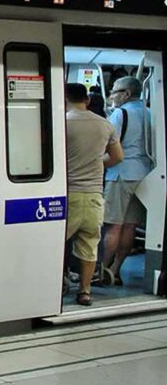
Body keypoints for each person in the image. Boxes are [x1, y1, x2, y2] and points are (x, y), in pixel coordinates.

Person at [64, 82, 123, 306]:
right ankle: (85, 291)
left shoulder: (63, 123)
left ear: (65, 99)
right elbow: (118, 156)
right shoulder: (105, 125)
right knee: (89, 245)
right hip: (93, 195)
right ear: (87, 100)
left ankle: (58, 284)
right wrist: (98, 164)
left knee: (58, 243)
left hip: (67, 195)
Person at [101, 76, 153, 287]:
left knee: (114, 225)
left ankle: (102, 270)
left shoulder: (120, 114)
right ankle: (116, 269)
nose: (112, 96)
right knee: (130, 226)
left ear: (126, 93)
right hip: (143, 175)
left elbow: (108, 145)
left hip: (120, 174)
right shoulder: (150, 113)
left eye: (114, 91)